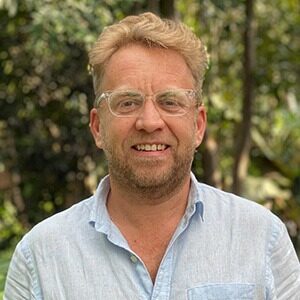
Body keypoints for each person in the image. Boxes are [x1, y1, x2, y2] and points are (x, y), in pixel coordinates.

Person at [4, 12, 300, 300]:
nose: (149, 122)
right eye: (127, 102)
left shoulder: (263, 240)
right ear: (97, 127)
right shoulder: (40, 259)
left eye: (170, 101)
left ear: (198, 125)